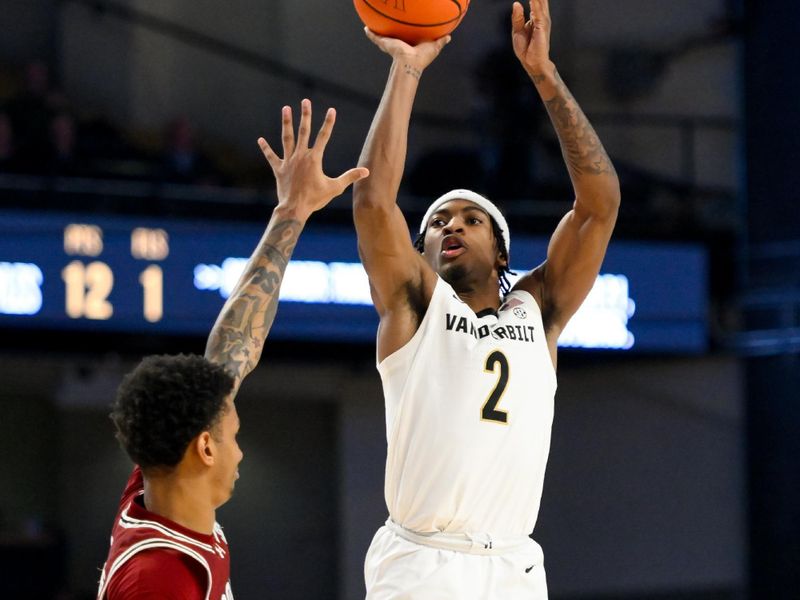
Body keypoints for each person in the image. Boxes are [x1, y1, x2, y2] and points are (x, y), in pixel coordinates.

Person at [352, 0, 620, 597]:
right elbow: (373, 203)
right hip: (422, 562)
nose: (451, 226)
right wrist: (407, 69)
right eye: (438, 221)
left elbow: (600, 205)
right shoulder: (415, 310)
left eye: (471, 219)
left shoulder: (538, 308)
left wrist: (545, 76)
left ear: (501, 254)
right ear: (420, 252)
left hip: (513, 567)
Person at [96, 100, 368, 599]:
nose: (240, 451)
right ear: (203, 447)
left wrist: (292, 212)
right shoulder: (160, 579)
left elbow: (232, 349)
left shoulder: (159, 489)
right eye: (235, 433)